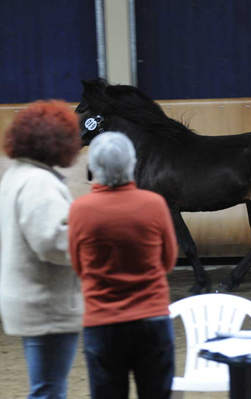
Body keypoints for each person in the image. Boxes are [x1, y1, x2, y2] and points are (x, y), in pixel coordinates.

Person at [68, 131, 178, 399]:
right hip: (152, 319)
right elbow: (168, 260)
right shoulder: (154, 204)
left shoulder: (80, 210)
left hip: (102, 323)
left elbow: (78, 266)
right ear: (132, 163)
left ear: (93, 168)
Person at [0, 100, 84, 399]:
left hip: (32, 299)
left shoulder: (18, 174)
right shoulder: (39, 183)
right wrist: (91, 242)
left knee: (46, 386)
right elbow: (52, 241)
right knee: (49, 390)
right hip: (46, 304)